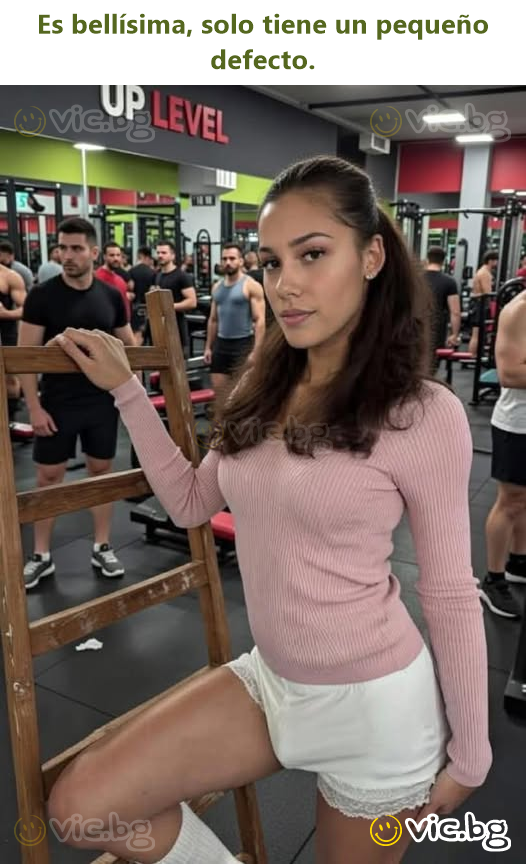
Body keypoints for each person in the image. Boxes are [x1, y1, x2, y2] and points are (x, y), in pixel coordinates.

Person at [47, 157, 491, 864]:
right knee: (82, 807)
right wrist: (128, 390)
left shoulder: (422, 414)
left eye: (312, 254)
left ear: (372, 256)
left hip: (376, 710)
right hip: (272, 682)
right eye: (273, 260)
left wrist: (473, 752)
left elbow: (448, 593)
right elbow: (191, 502)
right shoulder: (263, 382)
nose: (285, 283)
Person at [18, 217, 137, 591]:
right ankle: (41, 555)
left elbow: (130, 346)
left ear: (94, 252)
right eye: (62, 248)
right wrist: (34, 408)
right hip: (56, 403)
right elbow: (24, 357)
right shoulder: (42, 296)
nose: (67, 255)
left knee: (101, 472)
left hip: (101, 403)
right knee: (48, 477)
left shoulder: (112, 296)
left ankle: (102, 546)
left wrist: (134, 393)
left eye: (76, 248)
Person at [480, 287, 526, 619]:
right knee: (511, 501)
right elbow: (508, 373)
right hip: (518, 425)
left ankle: (519, 562)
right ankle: (493, 579)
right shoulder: (518, 311)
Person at [204, 244, 266, 402]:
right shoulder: (216, 287)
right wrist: (208, 347)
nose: (228, 262)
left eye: (232, 258)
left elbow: (259, 320)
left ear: (240, 261)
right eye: (224, 259)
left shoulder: (251, 285)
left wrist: (257, 351)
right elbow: (213, 319)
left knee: (242, 397)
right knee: (220, 396)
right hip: (221, 345)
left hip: (242, 344)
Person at [152, 240, 197, 356]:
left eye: (164, 253)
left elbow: (192, 302)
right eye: (158, 252)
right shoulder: (158, 275)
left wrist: (168, 306)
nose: (160, 255)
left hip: (176, 327)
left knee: (177, 363)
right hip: (162, 327)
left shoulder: (181, 276)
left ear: (172, 255)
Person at [424, 247, 461, 364]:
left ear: (427, 259)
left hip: (414, 326)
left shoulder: (414, 278)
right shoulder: (449, 282)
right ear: (443, 261)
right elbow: (455, 312)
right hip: (436, 328)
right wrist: (454, 335)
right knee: (432, 364)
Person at [0, 263, 27, 421]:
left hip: (5, 336)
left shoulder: (10, 276)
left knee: (10, 380)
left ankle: (9, 421)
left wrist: (5, 314)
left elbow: (27, 308)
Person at [468, 250, 499, 356]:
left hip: (479, 304)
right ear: (490, 261)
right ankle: (473, 356)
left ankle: (474, 355)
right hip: (480, 305)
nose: (497, 263)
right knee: (476, 334)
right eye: (496, 260)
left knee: (477, 333)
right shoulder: (485, 273)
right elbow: (487, 292)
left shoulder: (482, 271)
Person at [95, 242, 133, 324]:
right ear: (104, 257)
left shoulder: (120, 280)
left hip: (123, 325)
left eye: (118, 255)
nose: (116, 258)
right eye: (112, 255)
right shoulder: (97, 278)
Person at [128, 246, 156, 345]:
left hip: (136, 308)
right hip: (150, 308)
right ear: (147, 257)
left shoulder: (131, 271)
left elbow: (130, 289)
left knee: (138, 338)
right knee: (153, 340)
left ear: (140, 256)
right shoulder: (153, 273)